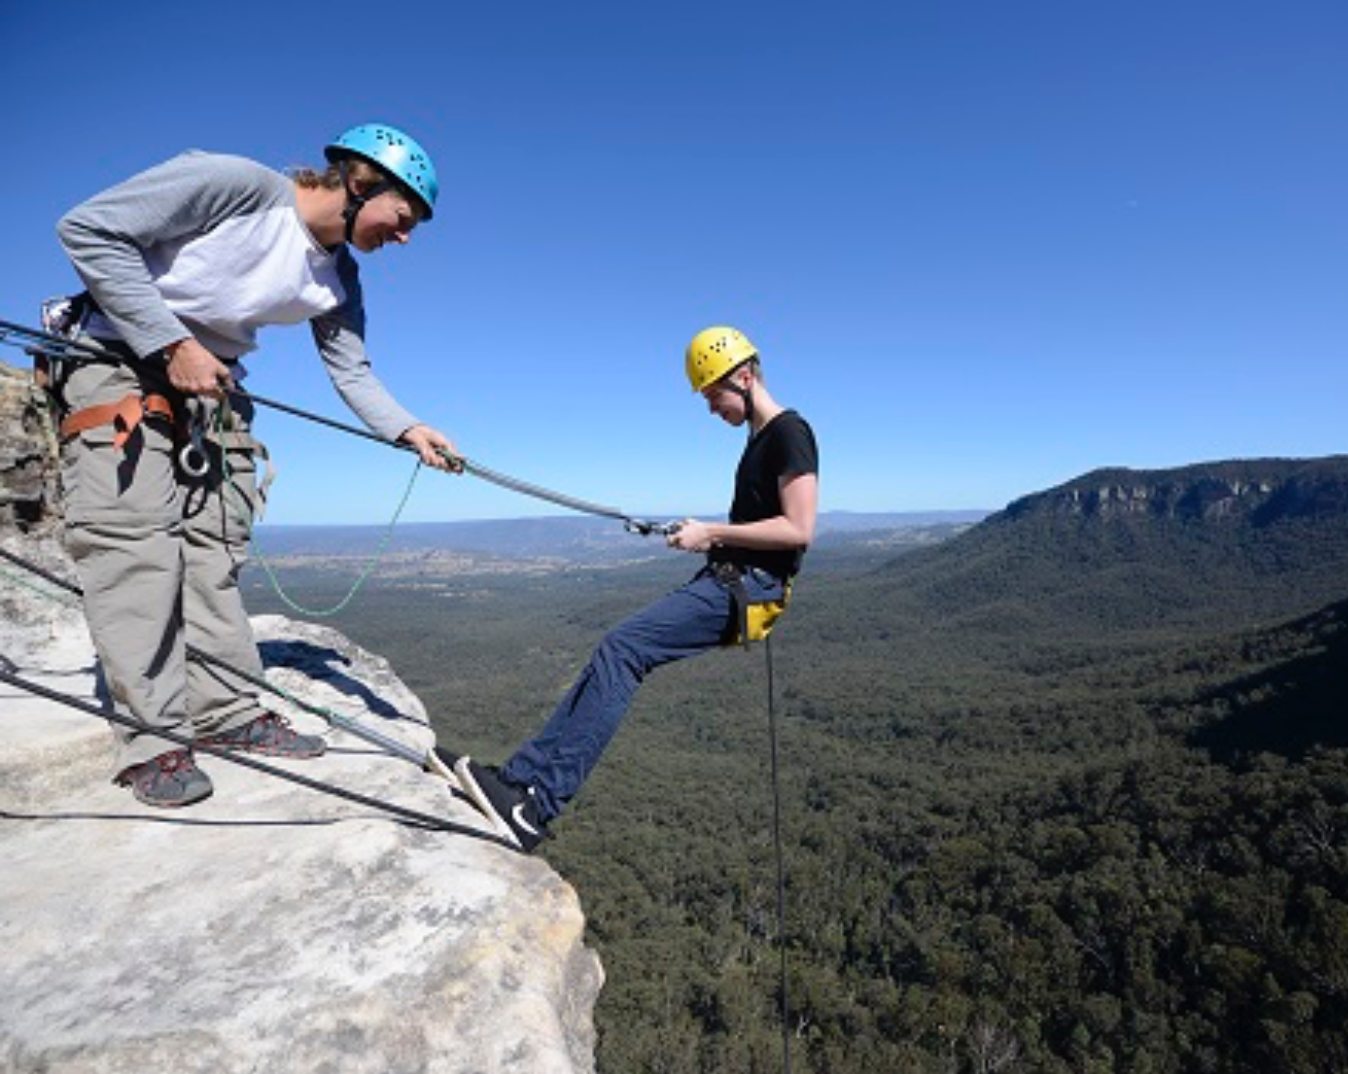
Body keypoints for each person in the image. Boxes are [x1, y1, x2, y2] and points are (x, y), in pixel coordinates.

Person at [48, 123, 460, 808]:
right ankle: (151, 739)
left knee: (215, 551)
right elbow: (88, 230)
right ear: (361, 183)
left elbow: (351, 371)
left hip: (213, 388)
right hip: (116, 363)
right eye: (403, 216)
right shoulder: (236, 185)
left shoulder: (341, 278)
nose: (406, 236)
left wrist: (407, 428)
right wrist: (172, 342)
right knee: (137, 549)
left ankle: (225, 711)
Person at [433, 326, 819, 851]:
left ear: (745, 378)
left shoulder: (790, 433)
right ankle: (518, 780)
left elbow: (798, 530)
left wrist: (712, 532)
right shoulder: (759, 441)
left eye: (714, 396)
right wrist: (703, 540)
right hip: (734, 579)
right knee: (612, 652)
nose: (711, 410)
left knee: (623, 650)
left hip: (750, 587)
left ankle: (537, 806)